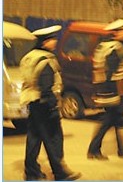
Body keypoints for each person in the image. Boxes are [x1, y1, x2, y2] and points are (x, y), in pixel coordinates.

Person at [20, 25, 82, 181]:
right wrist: (53, 107)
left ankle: (31, 172)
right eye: (52, 39)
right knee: (52, 138)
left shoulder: (29, 56)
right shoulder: (46, 60)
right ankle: (60, 173)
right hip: (45, 104)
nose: (55, 42)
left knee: (34, 138)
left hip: (32, 102)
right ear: (44, 43)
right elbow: (47, 87)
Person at [87, 31, 123, 160]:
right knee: (107, 121)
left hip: (110, 90)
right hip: (113, 90)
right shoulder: (114, 49)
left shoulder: (104, 46)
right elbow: (110, 73)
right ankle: (93, 150)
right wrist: (111, 93)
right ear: (117, 34)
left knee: (117, 119)